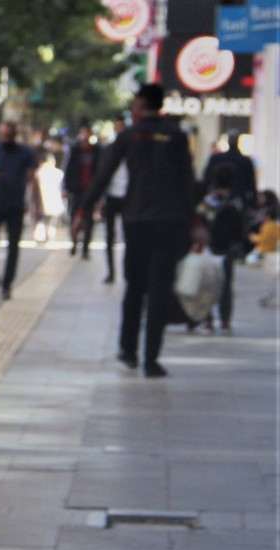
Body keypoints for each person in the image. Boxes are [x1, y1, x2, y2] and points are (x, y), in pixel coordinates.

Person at [75, 83, 197, 378]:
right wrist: (194, 222)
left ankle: (128, 349)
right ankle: (151, 359)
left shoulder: (130, 135)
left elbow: (103, 174)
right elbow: (187, 182)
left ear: (141, 105)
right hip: (168, 222)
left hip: (137, 220)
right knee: (159, 290)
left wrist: (83, 211)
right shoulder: (177, 136)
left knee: (135, 285)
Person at [0, 120, 37, 299]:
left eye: (9, 134)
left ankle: (6, 284)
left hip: (15, 206)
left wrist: (37, 205)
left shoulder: (25, 153)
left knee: (13, 247)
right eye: (4, 134)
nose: (7, 137)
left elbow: (33, 178)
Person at [194, 164, 248, 331]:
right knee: (226, 285)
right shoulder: (235, 202)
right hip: (228, 249)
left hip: (210, 247)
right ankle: (225, 320)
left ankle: (208, 319)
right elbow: (241, 226)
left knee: (208, 284)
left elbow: (200, 220)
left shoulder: (208, 202)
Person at [63, 123, 99, 258]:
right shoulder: (74, 150)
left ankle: (85, 249)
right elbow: (68, 169)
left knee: (89, 220)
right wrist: (66, 187)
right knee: (74, 217)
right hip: (76, 190)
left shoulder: (96, 151)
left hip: (91, 190)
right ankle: (74, 243)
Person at [101, 116, 129, 283]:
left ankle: (127, 271)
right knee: (109, 236)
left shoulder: (133, 149)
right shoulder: (109, 149)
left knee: (128, 237)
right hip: (111, 197)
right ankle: (111, 272)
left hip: (128, 197)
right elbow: (102, 175)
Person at [203, 131, 257, 212]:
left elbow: (206, 177)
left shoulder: (216, 158)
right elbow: (251, 183)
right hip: (239, 199)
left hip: (217, 196)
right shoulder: (245, 161)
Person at [33, 153, 65, 243]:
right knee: (43, 220)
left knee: (49, 221)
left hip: (53, 200)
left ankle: (48, 235)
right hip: (44, 200)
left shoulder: (58, 173)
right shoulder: (39, 173)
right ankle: (44, 235)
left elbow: (63, 189)